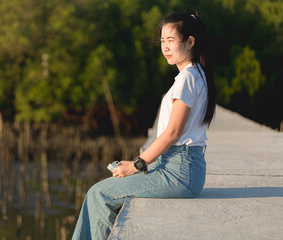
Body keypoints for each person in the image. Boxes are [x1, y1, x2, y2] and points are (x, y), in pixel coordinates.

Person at [72, 12, 216, 240]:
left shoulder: (187, 78)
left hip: (180, 171)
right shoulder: (198, 74)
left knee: (98, 194)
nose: (165, 47)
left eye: (171, 40)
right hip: (184, 167)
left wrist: (137, 165)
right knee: (106, 191)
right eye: (162, 41)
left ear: (190, 42)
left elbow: (172, 133)